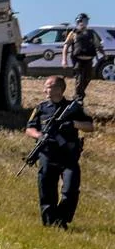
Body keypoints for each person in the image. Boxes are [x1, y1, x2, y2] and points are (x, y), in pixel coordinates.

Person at [25, 76, 94, 229]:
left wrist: (73, 124)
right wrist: (40, 135)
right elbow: (29, 129)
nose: (45, 90)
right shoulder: (41, 108)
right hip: (47, 154)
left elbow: (90, 126)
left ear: (59, 89)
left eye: (48, 86)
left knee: (70, 190)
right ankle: (50, 222)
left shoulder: (73, 107)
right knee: (46, 190)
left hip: (68, 156)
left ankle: (62, 218)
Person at [62, 13, 105, 101]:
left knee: (87, 78)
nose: (84, 23)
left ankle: (79, 95)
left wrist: (104, 55)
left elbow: (98, 46)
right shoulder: (73, 33)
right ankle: (78, 98)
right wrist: (64, 60)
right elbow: (66, 46)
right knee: (80, 78)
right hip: (78, 60)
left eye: (86, 21)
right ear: (78, 21)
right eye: (82, 21)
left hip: (89, 60)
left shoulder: (91, 33)